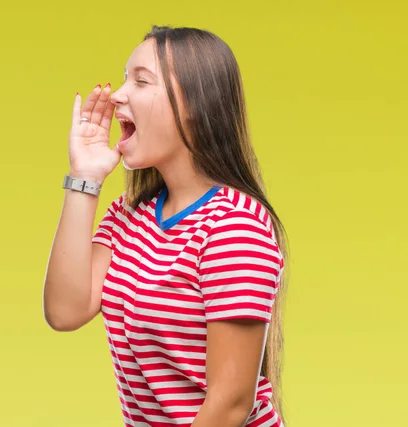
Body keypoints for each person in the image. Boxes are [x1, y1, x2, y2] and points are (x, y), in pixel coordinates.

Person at [43, 25, 289, 427]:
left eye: (140, 81)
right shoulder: (129, 214)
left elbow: (229, 404)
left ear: (193, 105)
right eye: (124, 77)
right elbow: (64, 311)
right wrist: (84, 177)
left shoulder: (234, 226)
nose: (119, 94)